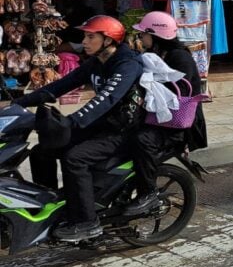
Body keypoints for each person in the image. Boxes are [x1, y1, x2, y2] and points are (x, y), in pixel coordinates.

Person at [16, 16, 145, 242]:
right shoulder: (96, 62)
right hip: (102, 126)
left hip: (123, 131)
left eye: (90, 36)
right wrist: (18, 104)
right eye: (85, 36)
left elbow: (107, 99)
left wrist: (72, 121)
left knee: (75, 158)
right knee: (41, 150)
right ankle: (53, 205)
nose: (84, 41)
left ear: (108, 40)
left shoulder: (127, 64)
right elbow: (59, 86)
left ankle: (87, 222)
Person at [123, 11, 207, 216]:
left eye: (144, 34)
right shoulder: (161, 55)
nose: (141, 38)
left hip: (177, 125)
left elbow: (180, 94)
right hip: (161, 119)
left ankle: (148, 194)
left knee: (142, 140)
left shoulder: (179, 57)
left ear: (156, 34)